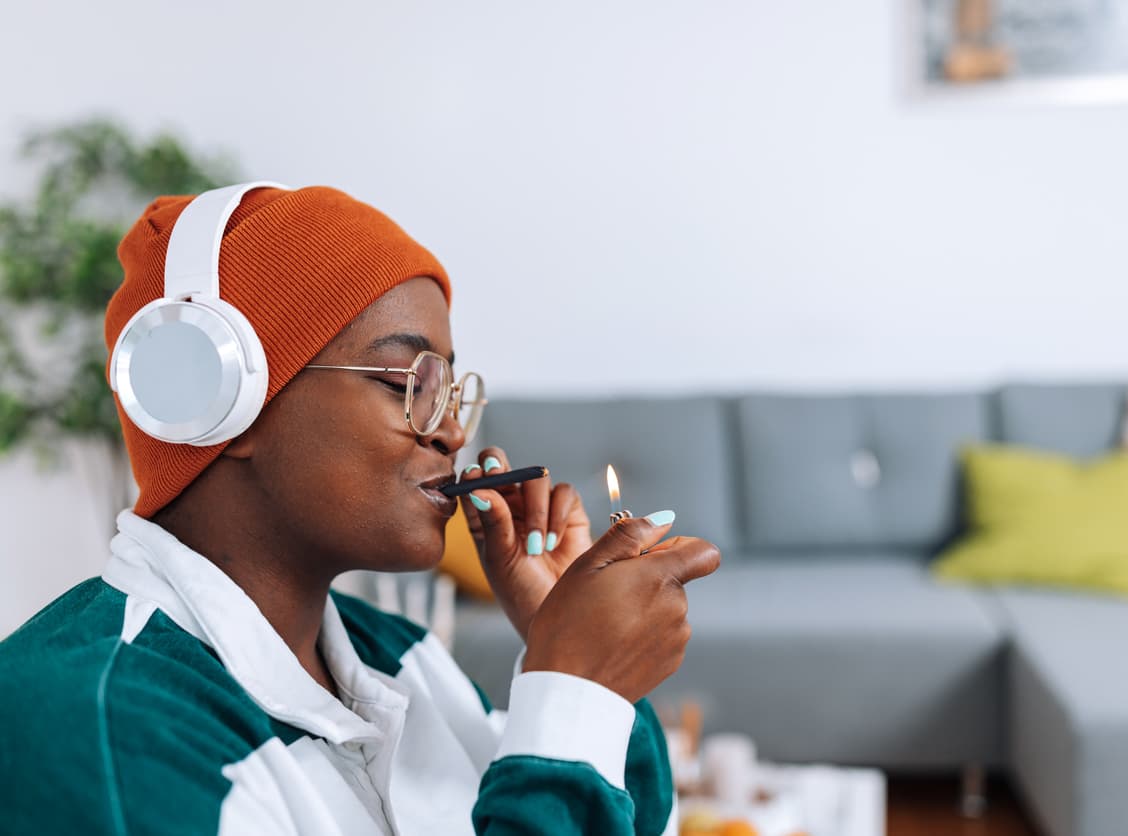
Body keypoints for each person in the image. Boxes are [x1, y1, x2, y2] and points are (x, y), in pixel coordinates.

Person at [0, 183, 720, 835]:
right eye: (408, 379)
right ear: (222, 397)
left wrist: (572, 665)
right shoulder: (89, 724)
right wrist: (571, 685)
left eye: (450, 389)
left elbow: (622, 817)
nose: (452, 430)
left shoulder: (400, 659)